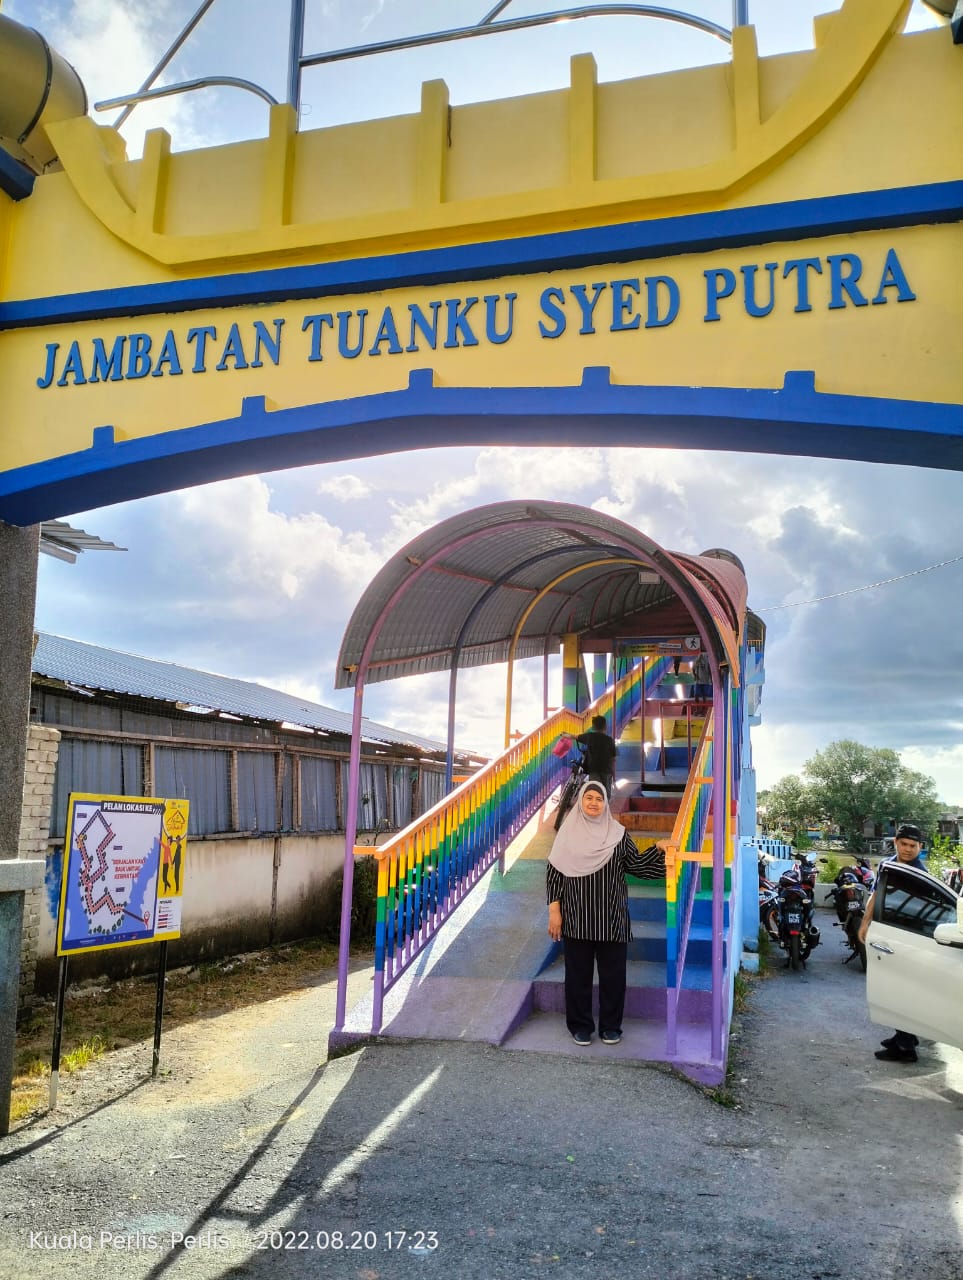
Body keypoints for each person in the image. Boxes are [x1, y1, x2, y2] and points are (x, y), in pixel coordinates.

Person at [546, 780, 666, 1046]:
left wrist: (658, 849)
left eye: (599, 799)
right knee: (577, 976)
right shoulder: (567, 835)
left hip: (611, 918)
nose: (593, 803)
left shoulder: (618, 835)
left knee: (614, 977)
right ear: (580, 801)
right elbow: (554, 873)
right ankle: (580, 1026)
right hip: (577, 917)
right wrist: (555, 911)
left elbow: (637, 865)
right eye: (588, 797)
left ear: (605, 804)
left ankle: (611, 1027)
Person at [858, 822, 927, 1063]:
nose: (907, 849)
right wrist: (865, 922)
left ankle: (906, 1048)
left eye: (913, 845)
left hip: (910, 938)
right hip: (889, 933)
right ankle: (903, 1036)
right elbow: (876, 894)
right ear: (895, 842)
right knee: (890, 988)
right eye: (904, 844)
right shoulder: (887, 865)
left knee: (902, 992)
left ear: (920, 847)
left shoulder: (920, 874)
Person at [576, 714, 617, 796]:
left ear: (593, 727)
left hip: (593, 770)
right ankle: (605, 803)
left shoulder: (590, 737)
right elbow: (613, 759)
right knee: (606, 794)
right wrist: (614, 774)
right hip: (607, 771)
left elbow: (576, 737)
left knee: (595, 792)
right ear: (605, 726)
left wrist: (565, 735)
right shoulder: (610, 740)